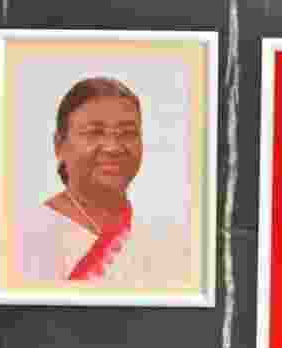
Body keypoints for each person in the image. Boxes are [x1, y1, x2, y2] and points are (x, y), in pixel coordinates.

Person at [17, 76, 191, 287]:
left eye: (127, 133)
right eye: (94, 133)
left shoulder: (166, 241)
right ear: (59, 145)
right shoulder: (25, 238)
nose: (113, 147)